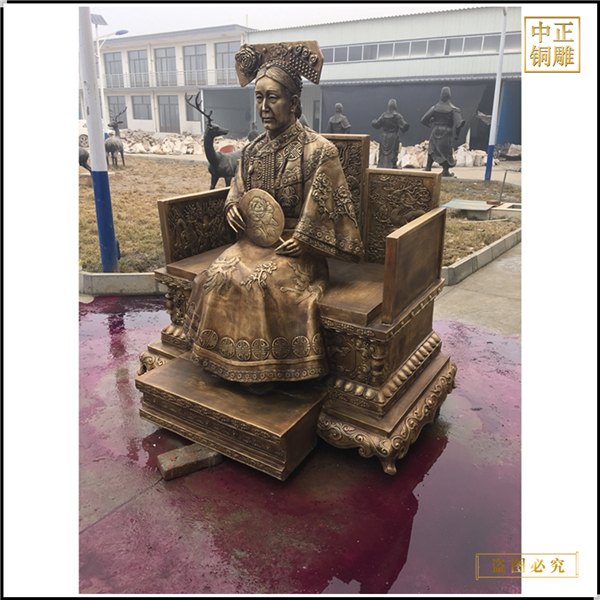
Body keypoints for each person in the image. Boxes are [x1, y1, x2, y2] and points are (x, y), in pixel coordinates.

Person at [183, 41, 364, 393]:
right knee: (216, 274)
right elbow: (238, 190)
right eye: (259, 98)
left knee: (258, 283)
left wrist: (305, 240)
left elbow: (329, 209)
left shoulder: (319, 150)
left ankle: (270, 369)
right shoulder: (251, 150)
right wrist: (233, 207)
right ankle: (221, 358)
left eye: (273, 98)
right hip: (253, 241)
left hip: (298, 249)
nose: (264, 107)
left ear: (293, 103)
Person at [420, 86, 465, 177]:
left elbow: (424, 120)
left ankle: (428, 167)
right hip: (447, 132)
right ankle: (445, 170)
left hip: (436, 130)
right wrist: (457, 134)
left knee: (432, 149)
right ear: (450, 96)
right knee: (446, 151)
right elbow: (458, 124)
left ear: (441, 96)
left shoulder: (435, 108)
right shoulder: (454, 109)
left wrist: (430, 123)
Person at [371, 99, 409, 169]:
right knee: (393, 151)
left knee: (383, 152)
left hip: (384, 136)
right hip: (393, 136)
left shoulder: (384, 115)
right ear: (395, 106)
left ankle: (382, 164)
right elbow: (403, 126)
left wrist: (374, 122)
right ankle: (392, 164)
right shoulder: (397, 116)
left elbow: (377, 124)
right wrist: (406, 125)